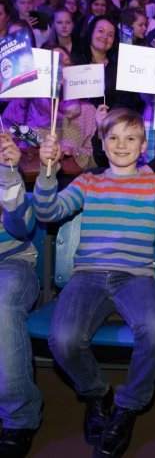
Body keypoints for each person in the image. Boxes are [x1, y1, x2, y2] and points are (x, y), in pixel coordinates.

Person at [33, 108, 155, 457]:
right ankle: (97, 392)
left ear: (143, 146)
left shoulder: (154, 182)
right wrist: (48, 172)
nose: (122, 145)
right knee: (63, 339)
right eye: (114, 138)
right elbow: (48, 212)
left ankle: (127, 406)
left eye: (131, 138)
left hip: (135, 276)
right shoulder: (88, 182)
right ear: (102, 144)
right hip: (88, 274)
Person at [0, 134, 42, 457]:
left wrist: (9, 173)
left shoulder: (7, 170)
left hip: (13, 262)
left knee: (3, 302)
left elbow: (23, 227)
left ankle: (18, 418)